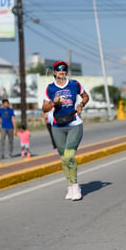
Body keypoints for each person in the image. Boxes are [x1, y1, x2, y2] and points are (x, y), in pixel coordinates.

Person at [42, 61, 89, 201]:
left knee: (69, 155)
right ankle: (69, 186)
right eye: (59, 69)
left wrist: (81, 104)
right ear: (54, 72)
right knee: (63, 158)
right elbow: (44, 108)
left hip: (74, 123)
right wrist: (53, 103)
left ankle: (75, 185)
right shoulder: (50, 88)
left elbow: (86, 96)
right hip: (57, 126)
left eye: (64, 69)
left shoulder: (75, 84)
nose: (61, 71)